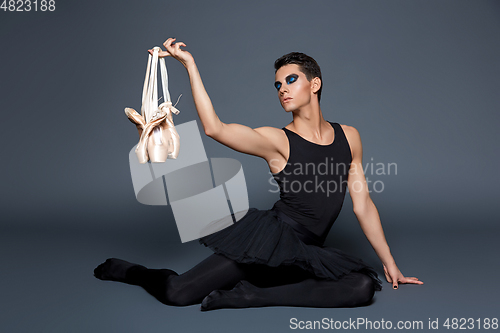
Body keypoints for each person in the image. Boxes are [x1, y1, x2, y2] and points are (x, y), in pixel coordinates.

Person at [94, 37, 423, 311]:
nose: (282, 89)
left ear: (315, 83)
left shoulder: (350, 136)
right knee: (177, 293)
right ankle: (132, 271)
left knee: (362, 287)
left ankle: (252, 295)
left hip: (305, 254)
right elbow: (215, 128)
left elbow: (362, 204)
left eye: (291, 80)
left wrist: (390, 263)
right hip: (268, 242)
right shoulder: (277, 140)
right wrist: (190, 66)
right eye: (278, 85)